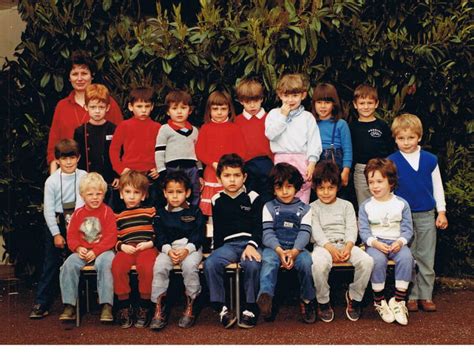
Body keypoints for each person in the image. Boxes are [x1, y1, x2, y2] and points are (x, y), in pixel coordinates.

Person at [388, 113, 448, 312]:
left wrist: (441, 212)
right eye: (401, 138)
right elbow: (388, 191)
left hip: (426, 214)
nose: (406, 142)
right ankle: (410, 296)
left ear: (419, 137)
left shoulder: (430, 160)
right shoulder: (392, 161)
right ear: (395, 138)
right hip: (402, 217)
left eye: (411, 137)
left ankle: (426, 295)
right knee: (408, 257)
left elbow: (438, 187)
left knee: (426, 256)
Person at [29, 139, 87, 319]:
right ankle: (42, 302)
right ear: (57, 160)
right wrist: (56, 234)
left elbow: (80, 202)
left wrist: (73, 229)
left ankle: (81, 301)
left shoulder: (84, 175)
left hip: (79, 221)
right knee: (51, 262)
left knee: (79, 258)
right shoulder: (51, 181)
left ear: (78, 158)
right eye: (64, 158)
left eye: (72, 158)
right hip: (57, 221)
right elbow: (48, 209)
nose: (68, 162)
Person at [204, 154, 263, 329]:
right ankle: (221, 307)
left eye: (236, 175)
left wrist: (252, 245)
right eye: (227, 176)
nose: (232, 180)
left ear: (244, 177)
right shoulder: (217, 200)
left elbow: (259, 227)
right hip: (228, 246)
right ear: (219, 178)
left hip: (249, 244)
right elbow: (219, 230)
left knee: (252, 265)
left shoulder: (253, 197)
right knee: (211, 263)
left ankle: (250, 308)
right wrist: (217, 251)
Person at [310, 161, 373, 322]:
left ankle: (354, 296)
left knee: (367, 261)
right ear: (315, 188)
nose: (326, 192)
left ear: (337, 187)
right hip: (323, 247)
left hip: (346, 245)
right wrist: (331, 249)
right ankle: (323, 300)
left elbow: (352, 228)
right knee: (318, 265)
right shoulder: (312, 207)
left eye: (330, 188)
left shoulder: (347, 205)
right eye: (321, 188)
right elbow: (316, 232)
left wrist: (349, 246)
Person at [256, 163, 316, 324]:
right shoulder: (268, 207)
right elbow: (267, 232)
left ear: (296, 187)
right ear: (273, 188)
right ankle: (266, 298)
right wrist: (279, 250)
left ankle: (308, 300)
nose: (284, 191)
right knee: (268, 261)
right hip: (274, 247)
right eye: (279, 187)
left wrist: (295, 251)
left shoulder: (305, 209)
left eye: (289, 186)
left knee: (307, 263)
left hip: (297, 248)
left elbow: (305, 232)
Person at [47, 50, 123, 174]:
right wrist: (54, 178)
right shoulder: (62, 106)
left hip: (104, 176)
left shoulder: (109, 103)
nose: (80, 78)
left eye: (84, 73)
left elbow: (122, 140)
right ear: (69, 77)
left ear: (92, 75)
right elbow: (53, 146)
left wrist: (120, 175)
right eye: (75, 74)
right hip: (70, 175)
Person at [359, 158, 414, 326]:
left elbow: (407, 229)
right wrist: (374, 243)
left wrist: (401, 241)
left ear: (391, 181)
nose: (375, 186)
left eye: (379, 181)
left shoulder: (401, 204)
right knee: (376, 260)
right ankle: (379, 300)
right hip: (375, 243)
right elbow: (363, 231)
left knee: (406, 258)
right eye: (371, 182)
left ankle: (398, 301)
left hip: (396, 242)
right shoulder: (366, 206)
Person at [150, 171, 206, 331]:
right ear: (164, 193)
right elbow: (159, 237)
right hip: (168, 250)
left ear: (187, 192)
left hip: (191, 248)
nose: (175, 196)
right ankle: (158, 307)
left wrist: (187, 250)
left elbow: (198, 234)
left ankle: (192, 304)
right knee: (159, 267)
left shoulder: (195, 211)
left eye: (179, 192)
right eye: (171, 192)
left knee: (189, 267)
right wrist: (168, 251)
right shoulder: (160, 214)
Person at [58, 172, 116, 323]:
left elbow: (111, 237)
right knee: (68, 265)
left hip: (104, 251)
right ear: (83, 195)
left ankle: (106, 305)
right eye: (90, 194)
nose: (95, 197)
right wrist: (77, 248)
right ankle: (69, 305)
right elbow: (71, 237)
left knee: (106, 263)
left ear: (104, 194)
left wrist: (96, 251)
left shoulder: (107, 212)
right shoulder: (78, 214)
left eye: (99, 194)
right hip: (83, 252)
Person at [265, 73, 322, 204]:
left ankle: (301, 223)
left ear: (303, 95)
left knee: (302, 194)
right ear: (280, 95)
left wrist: (312, 162)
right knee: (283, 192)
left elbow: (314, 142)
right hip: (281, 161)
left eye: (295, 95)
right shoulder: (274, 115)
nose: (290, 100)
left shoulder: (307, 117)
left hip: (302, 160)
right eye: (286, 95)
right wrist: (283, 116)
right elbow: (271, 134)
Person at [112, 171, 158, 329]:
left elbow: (159, 232)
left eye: (136, 192)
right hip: (126, 249)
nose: (131, 196)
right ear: (121, 194)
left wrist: (150, 244)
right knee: (117, 267)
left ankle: (144, 306)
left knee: (147, 267)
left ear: (143, 196)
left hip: (146, 248)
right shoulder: (117, 216)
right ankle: (124, 306)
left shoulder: (151, 211)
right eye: (127, 192)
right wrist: (122, 246)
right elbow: (113, 238)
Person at [195, 91, 247, 216]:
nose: (219, 112)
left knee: (231, 205)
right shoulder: (205, 128)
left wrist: (231, 165)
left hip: (231, 172)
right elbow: (200, 151)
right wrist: (212, 163)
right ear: (209, 110)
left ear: (229, 110)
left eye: (223, 109)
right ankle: (212, 232)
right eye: (215, 109)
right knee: (211, 207)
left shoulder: (235, 128)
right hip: (212, 171)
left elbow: (241, 151)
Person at [109, 86, 161, 207]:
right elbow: (114, 149)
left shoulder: (158, 127)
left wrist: (159, 167)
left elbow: (163, 151)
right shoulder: (124, 126)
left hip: (150, 176)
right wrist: (120, 169)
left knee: (150, 209)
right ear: (130, 106)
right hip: (129, 174)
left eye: (147, 106)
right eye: (139, 106)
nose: (143, 110)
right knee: (126, 209)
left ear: (152, 107)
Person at [73, 84, 119, 206]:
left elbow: (119, 154)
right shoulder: (80, 131)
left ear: (107, 108)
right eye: (93, 107)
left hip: (109, 181)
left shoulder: (114, 129)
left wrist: (118, 175)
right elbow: (77, 158)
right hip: (87, 182)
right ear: (86, 107)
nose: (97, 111)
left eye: (101, 107)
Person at [154, 90, 202, 206]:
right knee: (173, 194)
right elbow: (159, 151)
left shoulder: (195, 131)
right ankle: (172, 215)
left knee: (194, 192)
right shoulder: (165, 129)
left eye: (183, 108)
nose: (179, 112)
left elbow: (198, 153)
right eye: (174, 108)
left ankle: (193, 214)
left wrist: (200, 172)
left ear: (190, 110)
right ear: (168, 111)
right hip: (173, 169)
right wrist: (162, 170)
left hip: (191, 168)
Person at [349, 84, 394, 206]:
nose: (366, 107)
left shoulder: (382, 125)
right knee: (365, 204)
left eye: (369, 103)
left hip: (382, 168)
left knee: (384, 202)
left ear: (376, 104)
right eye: (362, 103)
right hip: (361, 169)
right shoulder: (352, 127)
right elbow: (349, 151)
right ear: (355, 104)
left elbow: (390, 148)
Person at [234, 78, 274, 203]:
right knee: (249, 199)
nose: (252, 105)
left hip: (267, 164)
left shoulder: (270, 118)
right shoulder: (237, 121)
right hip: (246, 165)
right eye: (247, 101)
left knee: (268, 198)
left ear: (262, 99)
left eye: (256, 101)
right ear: (241, 101)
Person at [311, 83, 352, 189]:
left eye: (327, 102)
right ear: (314, 104)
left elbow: (347, 150)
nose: (323, 106)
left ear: (334, 104)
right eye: (319, 102)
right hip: (316, 162)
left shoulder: (341, 124)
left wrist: (346, 171)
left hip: (335, 162)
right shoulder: (310, 123)